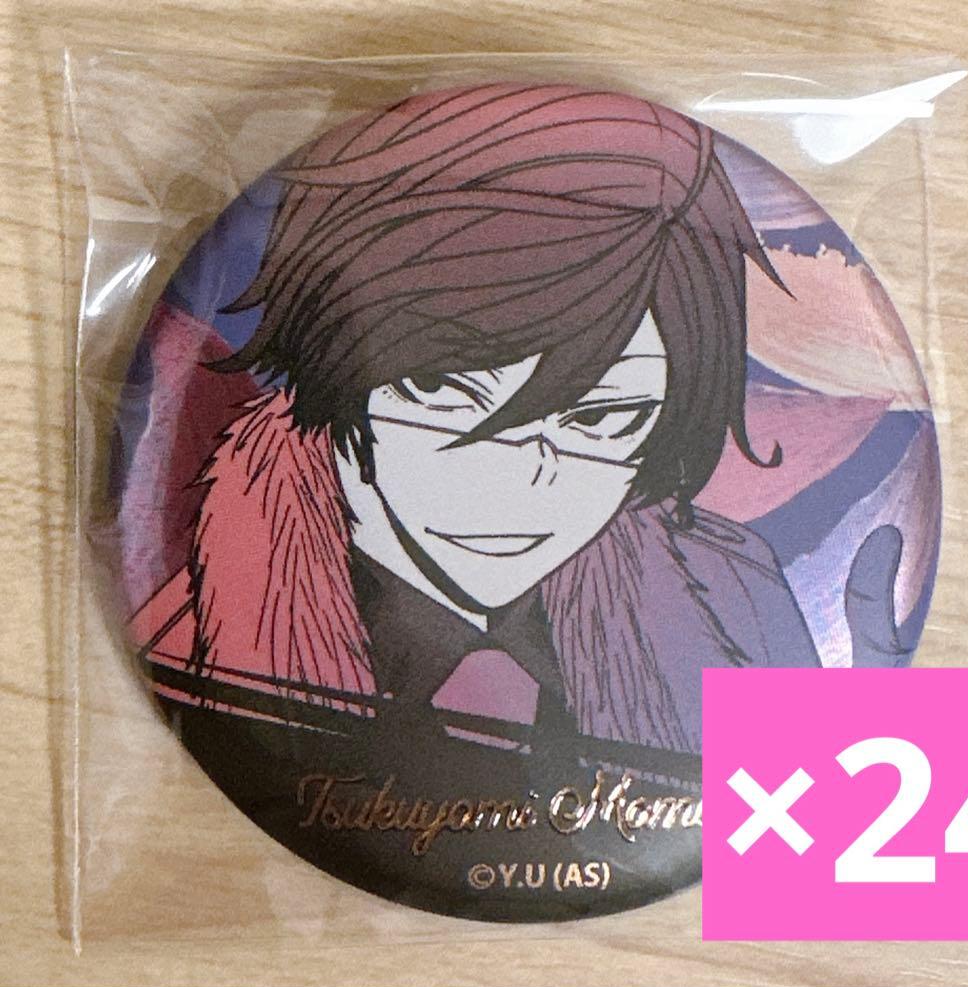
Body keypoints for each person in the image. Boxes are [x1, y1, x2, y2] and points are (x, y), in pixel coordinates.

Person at [130, 83, 908, 762]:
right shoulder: (197, 644)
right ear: (336, 367)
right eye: (444, 390)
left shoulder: (733, 603)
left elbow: (805, 846)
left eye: (604, 418)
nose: (524, 476)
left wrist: (850, 763)